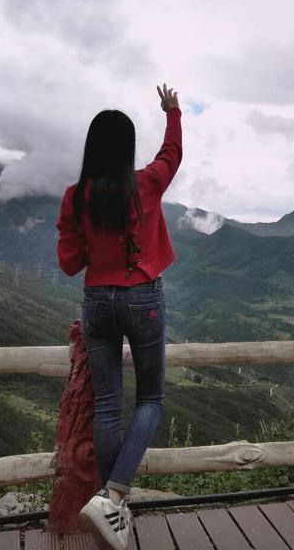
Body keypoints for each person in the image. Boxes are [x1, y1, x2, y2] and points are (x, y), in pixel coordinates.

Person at [55, 83, 182, 550]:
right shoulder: (146, 184)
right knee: (150, 399)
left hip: (97, 301)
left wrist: (84, 237)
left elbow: (69, 262)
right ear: (128, 147)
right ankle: (112, 498)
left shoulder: (75, 196)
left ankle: (110, 507)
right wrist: (172, 111)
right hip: (143, 296)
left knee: (108, 405)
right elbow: (172, 154)